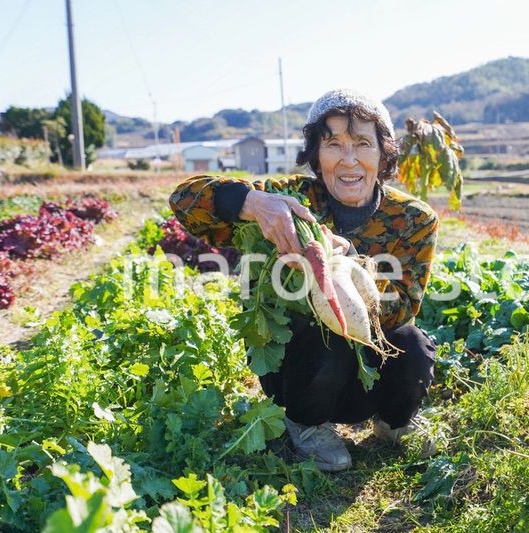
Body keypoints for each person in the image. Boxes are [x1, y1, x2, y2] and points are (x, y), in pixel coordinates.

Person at [169, 89, 439, 471]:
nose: (349, 159)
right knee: (320, 336)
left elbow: (403, 306)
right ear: (316, 154)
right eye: (333, 144)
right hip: (299, 374)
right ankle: (307, 425)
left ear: (383, 154)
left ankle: (393, 421)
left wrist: (346, 266)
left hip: (368, 367)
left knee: (412, 343)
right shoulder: (292, 199)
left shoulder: (414, 218)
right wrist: (253, 204)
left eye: (363, 144)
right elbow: (184, 199)